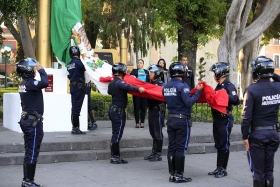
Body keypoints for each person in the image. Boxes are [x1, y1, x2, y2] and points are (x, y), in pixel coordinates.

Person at [241, 56, 280, 187]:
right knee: (269, 170)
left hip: (257, 135)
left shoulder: (252, 90)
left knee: (258, 171)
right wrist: (270, 73)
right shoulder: (277, 87)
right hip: (273, 133)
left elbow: (246, 116)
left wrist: (244, 135)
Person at [163, 61, 203, 183]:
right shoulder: (183, 86)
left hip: (170, 119)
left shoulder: (166, 86)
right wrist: (198, 91)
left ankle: (172, 174)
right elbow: (189, 102)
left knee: (172, 147)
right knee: (181, 147)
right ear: (182, 72)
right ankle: (179, 175)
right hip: (182, 120)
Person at [16, 58, 49, 187]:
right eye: (33, 68)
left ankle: (26, 180)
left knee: (29, 150)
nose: (35, 70)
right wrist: (42, 70)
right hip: (32, 123)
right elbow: (45, 83)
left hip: (28, 120)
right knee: (32, 151)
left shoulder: (24, 83)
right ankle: (28, 181)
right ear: (28, 70)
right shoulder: (29, 83)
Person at [108, 62, 145, 164]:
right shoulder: (119, 82)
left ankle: (114, 156)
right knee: (117, 134)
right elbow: (128, 87)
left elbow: (109, 92)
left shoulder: (112, 82)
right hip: (118, 112)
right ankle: (115, 157)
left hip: (113, 110)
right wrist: (138, 88)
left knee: (115, 133)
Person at [208, 62, 240, 178]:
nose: (214, 75)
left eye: (215, 73)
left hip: (224, 119)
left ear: (220, 73)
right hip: (217, 118)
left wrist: (224, 97)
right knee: (218, 143)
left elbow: (236, 100)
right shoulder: (219, 86)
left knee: (224, 143)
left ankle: (223, 169)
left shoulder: (229, 86)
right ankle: (218, 167)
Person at [144, 65, 165, 162]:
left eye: (151, 72)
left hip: (157, 110)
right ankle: (153, 152)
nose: (149, 74)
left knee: (158, 132)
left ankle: (158, 153)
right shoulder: (149, 83)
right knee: (152, 132)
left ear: (156, 74)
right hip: (151, 110)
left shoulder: (160, 84)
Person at [67, 46, 86, 135]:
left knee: (74, 107)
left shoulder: (69, 64)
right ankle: (76, 128)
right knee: (76, 108)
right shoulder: (79, 63)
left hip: (73, 87)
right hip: (79, 87)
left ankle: (74, 127)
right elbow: (86, 68)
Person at [130, 59, 149, 128]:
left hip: (144, 92)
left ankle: (142, 122)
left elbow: (148, 81)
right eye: (138, 63)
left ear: (143, 64)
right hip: (137, 91)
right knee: (137, 107)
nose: (139, 64)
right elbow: (131, 79)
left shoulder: (146, 72)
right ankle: (137, 122)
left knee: (143, 107)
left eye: (140, 63)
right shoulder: (134, 71)